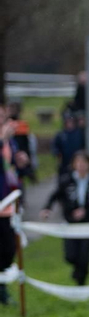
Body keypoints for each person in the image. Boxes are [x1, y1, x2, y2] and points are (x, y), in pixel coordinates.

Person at [41, 150, 89, 286]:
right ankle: (78, 272)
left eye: (84, 162)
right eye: (78, 163)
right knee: (70, 256)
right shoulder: (66, 181)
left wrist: (88, 211)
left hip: (88, 226)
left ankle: (81, 283)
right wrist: (47, 208)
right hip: (70, 225)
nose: (81, 165)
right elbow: (55, 195)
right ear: (73, 165)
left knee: (84, 256)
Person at [0, 122, 18, 306]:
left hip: (7, 206)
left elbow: (10, 170)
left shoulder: (10, 142)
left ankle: (2, 287)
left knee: (9, 249)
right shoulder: (3, 140)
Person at [52, 112, 85, 177]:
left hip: (77, 160)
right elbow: (55, 146)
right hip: (64, 162)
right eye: (68, 122)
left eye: (71, 121)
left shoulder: (79, 133)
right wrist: (57, 153)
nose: (69, 124)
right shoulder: (60, 134)